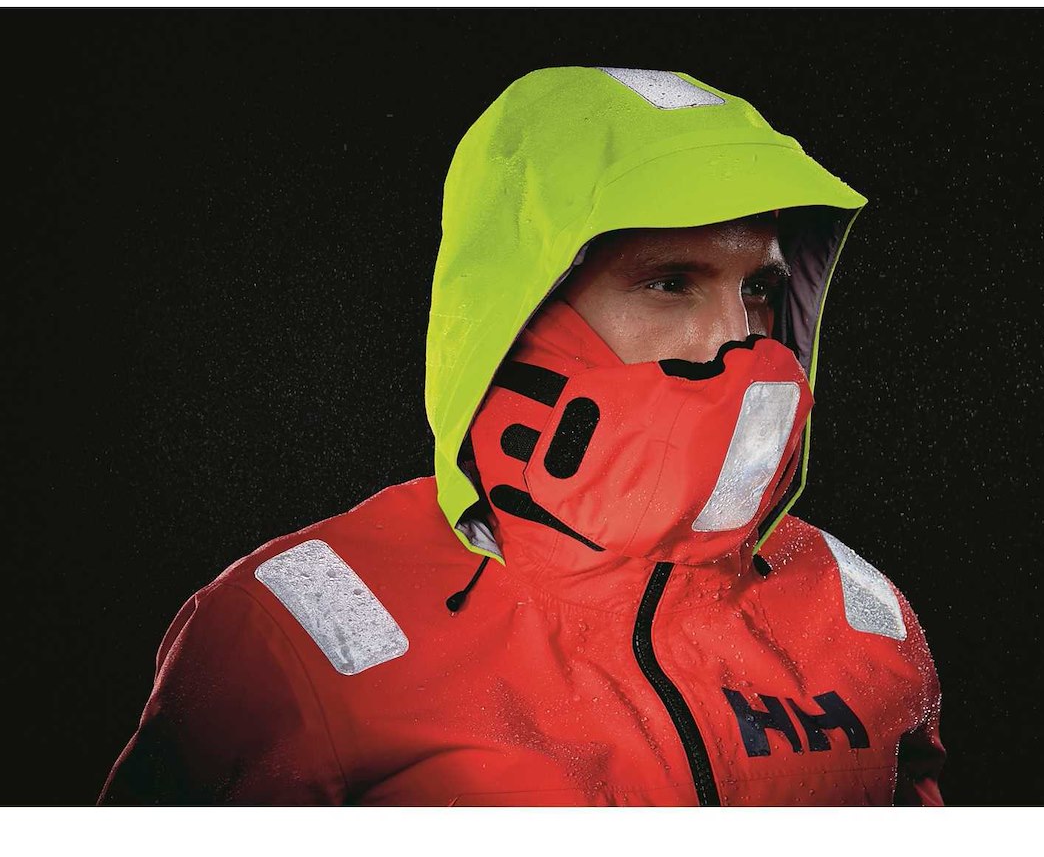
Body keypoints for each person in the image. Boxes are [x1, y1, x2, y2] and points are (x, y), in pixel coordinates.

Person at [100, 66, 945, 806]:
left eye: (758, 288)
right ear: (518, 316)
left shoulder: (857, 616)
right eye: (671, 282)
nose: (738, 338)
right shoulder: (293, 637)